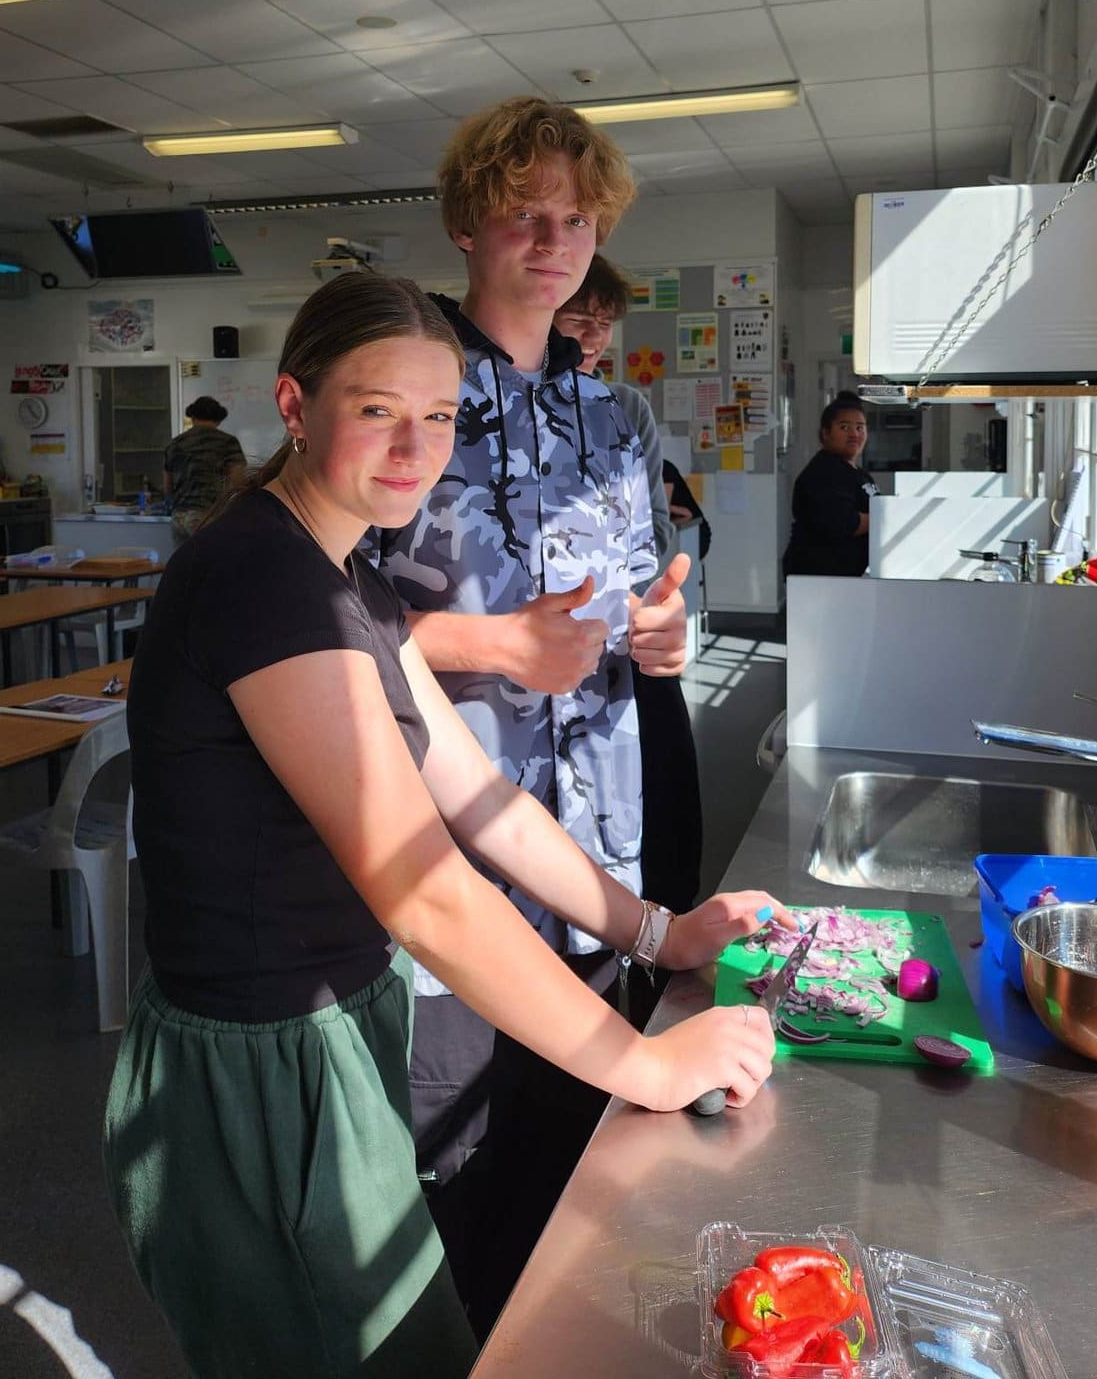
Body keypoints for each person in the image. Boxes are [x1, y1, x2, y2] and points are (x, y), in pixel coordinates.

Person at [103, 271, 782, 1379]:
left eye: (439, 414)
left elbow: (481, 800)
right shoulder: (264, 580)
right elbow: (424, 889)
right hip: (266, 1064)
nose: (415, 449)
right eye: (377, 409)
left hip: (336, 1025)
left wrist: (658, 932)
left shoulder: (345, 576)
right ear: (293, 403)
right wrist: (645, 1069)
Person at [370, 98, 689, 1330]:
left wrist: (666, 636)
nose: (554, 242)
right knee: (452, 1186)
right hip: (444, 874)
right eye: (524, 215)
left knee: (578, 1173)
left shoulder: (610, 417)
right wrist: (492, 643)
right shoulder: (406, 398)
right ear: (468, 225)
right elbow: (318, 623)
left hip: (594, 857)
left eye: (575, 219)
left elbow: (643, 595)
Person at [554, 255, 703, 926]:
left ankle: (655, 939)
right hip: (544, 654)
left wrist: (640, 603)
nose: (592, 334)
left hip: (622, 635)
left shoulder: (624, 409)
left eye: (604, 321)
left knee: (665, 809)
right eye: (578, 316)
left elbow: (653, 538)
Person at [782, 391, 878, 578]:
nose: (854, 434)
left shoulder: (860, 474)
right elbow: (846, 523)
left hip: (846, 577)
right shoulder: (823, 472)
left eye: (860, 427)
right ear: (825, 433)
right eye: (844, 427)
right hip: (819, 576)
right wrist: (886, 516)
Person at [162, 394, 245, 541]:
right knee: (213, 556)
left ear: (193, 418)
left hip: (179, 516)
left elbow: (167, 487)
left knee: (184, 556)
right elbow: (238, 481)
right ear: (218, 419)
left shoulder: (175, 444)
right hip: (209, 514)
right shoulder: (228, 442)